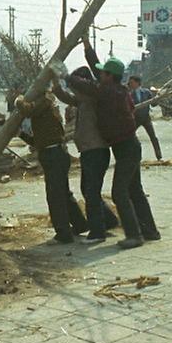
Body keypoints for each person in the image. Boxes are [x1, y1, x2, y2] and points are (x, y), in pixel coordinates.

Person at [62, 35, 160, 249]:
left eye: (103, 73)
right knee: (134, 190)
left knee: (119, 192)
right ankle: (150, 231)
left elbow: (87, 85)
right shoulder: (115, 88)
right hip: (128, 147)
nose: (100, 75)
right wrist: (87, 45)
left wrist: (66, 76)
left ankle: (134, 235)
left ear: (109, 76)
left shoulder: (108, 92)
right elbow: (96, 71)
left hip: (126, 148)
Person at [53, 68, 120, 244]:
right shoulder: (84, 100)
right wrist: (56, 84)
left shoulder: (93, 98)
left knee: (91, 191)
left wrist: (67, 78)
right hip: (90, 151)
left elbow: (77, 93)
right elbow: (68, 98)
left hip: (95, 151)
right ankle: (109, 221)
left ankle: (97, 232)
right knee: (89, 189)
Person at [15, 91, 88, 244]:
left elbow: (27, 109)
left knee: (55, 195)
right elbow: (38, 142)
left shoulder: (45, 100)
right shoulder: (43, 111)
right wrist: (21, 134)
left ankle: (63, 234)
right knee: (63, 193)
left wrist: (18, 101)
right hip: (54, 153)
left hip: (54, 154)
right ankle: (80, 224)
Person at [127, 75, 162, 160]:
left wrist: (157, 98)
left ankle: (159, 156)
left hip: (146, 118)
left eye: (132, 82)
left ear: (137, 83)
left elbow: (153, 104)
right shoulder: (129, 94)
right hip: (135, 119)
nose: (130, 84)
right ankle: (132, 156)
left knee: (153, 137)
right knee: (130, 136)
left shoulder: (146, 92)